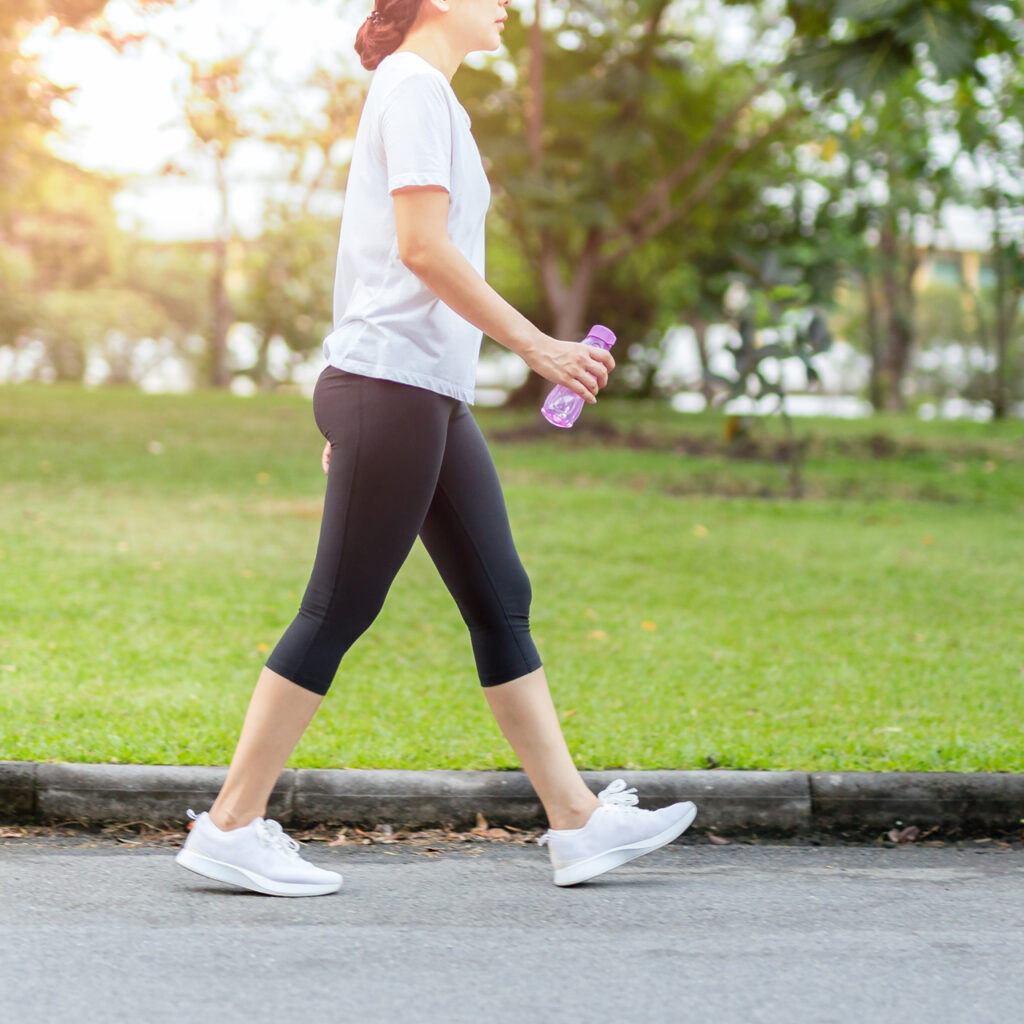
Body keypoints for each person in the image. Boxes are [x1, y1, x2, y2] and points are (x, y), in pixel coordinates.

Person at [175, 0, 697, 898]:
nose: (505, 5)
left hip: (421, 396)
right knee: (338, 608)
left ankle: (575, 822)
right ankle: (230, 824)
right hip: (393, 388)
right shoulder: (412, 86)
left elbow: (405, 253)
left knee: (502, 597)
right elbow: (421, 249)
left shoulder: (432, 97)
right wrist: (539, 348)